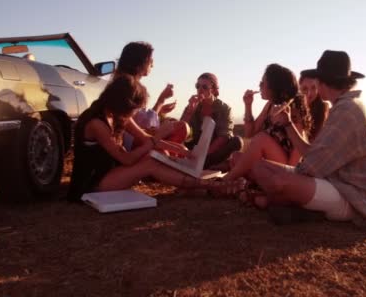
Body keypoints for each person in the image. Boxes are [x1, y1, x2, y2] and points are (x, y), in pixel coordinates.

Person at [245, 50, 366, 231]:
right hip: (335, 181)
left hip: (353, 196)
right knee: (260, 167)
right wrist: (288, 124)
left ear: (323, 82)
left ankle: (294, 206)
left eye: (316, 82)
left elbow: (312, 168)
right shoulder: (342, 106)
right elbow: (314, 155)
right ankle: (292, 204)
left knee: (279, 182)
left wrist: (286, 178)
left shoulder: (347, 111)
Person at [67, 74, 246, 202]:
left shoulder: (117, 114)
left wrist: (178, 150)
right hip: (93, 183)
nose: (134, 113)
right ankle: (208, 186)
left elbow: (145, 138)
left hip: (108, 172)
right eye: (134, 109)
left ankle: (197, 185)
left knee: (153, 153)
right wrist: (157, 138)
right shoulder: (96, 123)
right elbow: (126, 158)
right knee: (150, 162)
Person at [222, 64, 311, 181]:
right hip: (269, 165)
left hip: (288, 168)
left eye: (263, 83)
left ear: (274, 86)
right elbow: (250, 133)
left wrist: (287, 175)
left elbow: (296, 156)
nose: (259, 85)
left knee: (261, 139)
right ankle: (261, 182)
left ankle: (226, 180)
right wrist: (248, 105)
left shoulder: (294, 110)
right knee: (236, 157)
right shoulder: (270, 105)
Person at [114, 41, 189, 150]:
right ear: (140, 63)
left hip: (133, 135)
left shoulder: (125, 83)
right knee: (181, 128)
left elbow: (137, 120)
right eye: (151, 61)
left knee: (179, 132)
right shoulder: (127, 86)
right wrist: (161, 101)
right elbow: (128, 122)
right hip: (127, 140)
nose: (153, 64)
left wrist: (160, 108)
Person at [180, 73, 242, 170]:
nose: (200, 90)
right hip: (194, 146)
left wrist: (203, 155)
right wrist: (189, 112)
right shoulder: (192, 106)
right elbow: (181, 129)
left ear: (213, 89)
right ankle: (211, 165)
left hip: (212, 149)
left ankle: (204, 163)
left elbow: (224, 136)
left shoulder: (224, 108)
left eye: (204, 87)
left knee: (237, 141)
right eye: (197, 86)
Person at [299, 69, 330, 141]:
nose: (309, 93)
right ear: (299, 88)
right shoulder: (292, 107)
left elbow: (315, 140)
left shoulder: (322, 108)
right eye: (305, 89)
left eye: (313, 88)